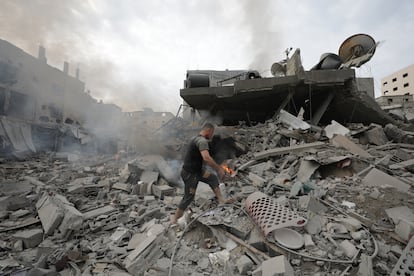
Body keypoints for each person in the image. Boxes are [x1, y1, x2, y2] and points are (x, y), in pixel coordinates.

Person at [171, 123, 233, 224]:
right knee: (188, 197)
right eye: (212, 133)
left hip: (198, 171)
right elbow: (206, 158)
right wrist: (219, 169)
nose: (212, 135)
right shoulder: (202, 141)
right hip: (191, 174)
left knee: (212, 178)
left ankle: (221, 200)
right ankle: (174, 220)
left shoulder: (195, 138)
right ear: (208, 130)